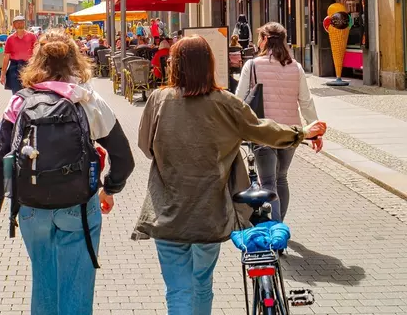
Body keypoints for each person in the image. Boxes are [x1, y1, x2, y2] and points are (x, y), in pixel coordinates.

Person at [135, 36, 326, 315]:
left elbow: (145, 146)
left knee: (177, 290)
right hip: (208, 215)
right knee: (202, 283)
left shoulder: (158, 99)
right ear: (209, 65)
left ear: (174, 66)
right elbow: (261, 129)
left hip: (166, 213)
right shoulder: (223, 101)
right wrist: (302, 133)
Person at [0, 30, 135, 315]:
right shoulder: (87, 100)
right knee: (76, 288)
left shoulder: (19, 102)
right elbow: (124, 158)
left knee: (43, 282)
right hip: (77, 205)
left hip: (31, 207)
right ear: (75, 61)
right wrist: (109, 189)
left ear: (35, 61)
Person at [235, 22, 320, 222]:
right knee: (281, 178)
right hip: (291, 132)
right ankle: (280, 227)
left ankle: (276, 231)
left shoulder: (252, 65)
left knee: (268, 183)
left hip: (264, 132)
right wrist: (314, 130)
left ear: (265, 40)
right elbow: (306, 101)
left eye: (259, 37)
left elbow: (238, 101)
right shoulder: (296, 67)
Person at [0, 15, 38, 95]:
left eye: (21, 22)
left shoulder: (32, 36)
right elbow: (6, 57)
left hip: (28, 66)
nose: (20, 24)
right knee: (16, 93)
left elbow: (36, 53)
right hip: (14, 67)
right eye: (17, 23)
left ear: (24, 23)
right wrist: (3, 74)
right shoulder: (10, 39)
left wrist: (37, 68)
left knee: (29, 91)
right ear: (13, 25)